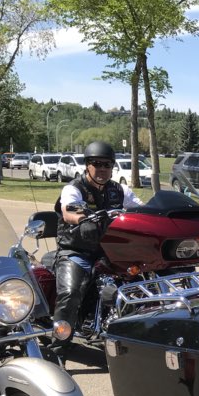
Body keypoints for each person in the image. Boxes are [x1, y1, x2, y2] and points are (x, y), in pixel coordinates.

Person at [52, 140, 142, 353]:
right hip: (76, 250)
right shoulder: (74, 188)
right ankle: (60, 346)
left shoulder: (119, 190)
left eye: (107, 164)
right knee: (71, 292)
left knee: (139, 281)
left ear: (113, 167)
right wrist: (82, 219)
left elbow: (142, 210)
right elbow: (68, 210)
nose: (102, 169)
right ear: (87, 165)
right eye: (96, 163)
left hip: (108, 251)